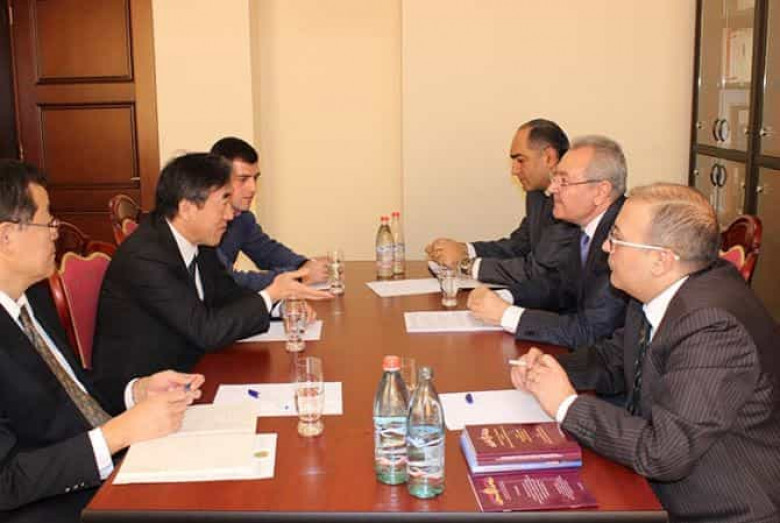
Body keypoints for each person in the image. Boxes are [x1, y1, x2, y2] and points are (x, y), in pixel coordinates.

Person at [513, 184, 780, 522]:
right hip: (651, 482)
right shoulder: (662, 288)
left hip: (718, 508)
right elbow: (615, 359)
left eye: (617, 238)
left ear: (660, 260)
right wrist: (548, 371)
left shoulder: (713, 327)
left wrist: (566, 405)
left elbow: (664, 452)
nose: (605, 246)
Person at [0, 160, 204, 522]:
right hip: (58, 502)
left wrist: (137, 392)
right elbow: (7, 482)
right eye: (48, 222)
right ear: (6, 236)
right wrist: (115, 436)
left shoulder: (34, 298)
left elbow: (74, 391)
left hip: (114, 464)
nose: (56, 232)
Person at [92, 153, 331, 412]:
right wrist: (271, 294)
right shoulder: (146, 257)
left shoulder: (199, 242)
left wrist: (281, 305)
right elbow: (206, 331)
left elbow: (228, 294)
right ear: (187, 208)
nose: (230, 215)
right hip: (147, 393)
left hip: (190, 369)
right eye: (224, 202)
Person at [469, 135, 629, 350]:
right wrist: (506, 296)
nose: (552, 189)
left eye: (563, 181)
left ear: (600, 192)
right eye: (555, 178)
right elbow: (559, 286)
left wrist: (507, 315)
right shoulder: (584, 227)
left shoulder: (622, 238)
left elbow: (591, 330)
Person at [426, 119, 580, 297]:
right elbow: (520, 245)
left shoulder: (574, 202)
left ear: (549, 157)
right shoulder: (536, 194)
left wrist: (465, 264)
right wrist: (464, 249)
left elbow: (538, 270)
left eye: (521, 160)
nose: (514, 170)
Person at [210, 137, 328, 291]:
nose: (253, 188)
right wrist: (299, 275)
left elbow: (267, 252)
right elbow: (229, 280)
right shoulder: (202, 221)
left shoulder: (242, 217)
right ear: (218, 180)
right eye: (243, 179)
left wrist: (304, 265)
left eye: (255, 178)